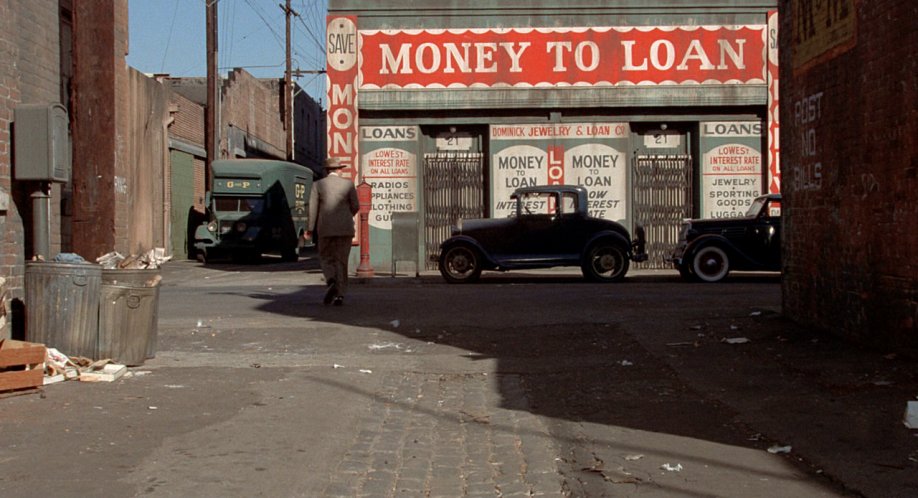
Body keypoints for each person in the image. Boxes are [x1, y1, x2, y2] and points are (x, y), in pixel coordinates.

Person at [307, 158, 360, 305]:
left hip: (325, 229)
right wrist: (346, 216)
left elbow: (312, 209)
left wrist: (309, 228)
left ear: (326, 170)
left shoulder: (317, 185)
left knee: (325, 257)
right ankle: (340, 295)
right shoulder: (348, 184)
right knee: (341, 261)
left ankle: (330, 279)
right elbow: (356, 205)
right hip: (345, 229)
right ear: (339, 170)